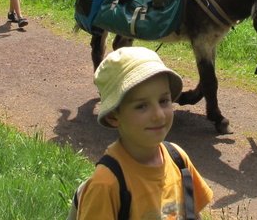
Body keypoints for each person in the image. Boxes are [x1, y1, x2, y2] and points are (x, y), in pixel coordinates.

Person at [75, 46, 213, 219]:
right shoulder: (107, 184)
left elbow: (193, 213)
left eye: (163, 101)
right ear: (113, 116)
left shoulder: (178, 159)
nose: (158, 115)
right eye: (141, 106)